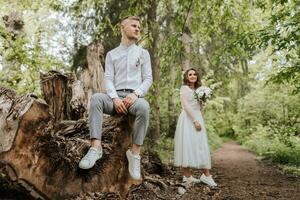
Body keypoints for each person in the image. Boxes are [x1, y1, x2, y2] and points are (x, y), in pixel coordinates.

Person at [78, 16, 153, 180]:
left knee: (144, 107)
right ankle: (96, 148)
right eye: (133, 25)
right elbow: (108, 79)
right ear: (122, 27)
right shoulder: (112, 55)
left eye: (139, 27)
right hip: (115, 97)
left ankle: (134, 153)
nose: (137, 29)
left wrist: (136, 94)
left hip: (134, 98)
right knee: (97, 98)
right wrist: (114, 98)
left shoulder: (143, 53)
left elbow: (148, 79)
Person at [174, 68, 217, 187]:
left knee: (200, 145)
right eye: (190, 74)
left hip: (198, 116)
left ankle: (206, 176)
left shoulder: (199, 90)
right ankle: (187, 177)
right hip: (189, 118)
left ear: (197, 76)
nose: (192, 76)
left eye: (194, 74)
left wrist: (203, 101)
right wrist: (195, 120)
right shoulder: (184, 89)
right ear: (186, 77)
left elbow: (200, 106)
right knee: (187, 145)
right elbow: (186, 106)